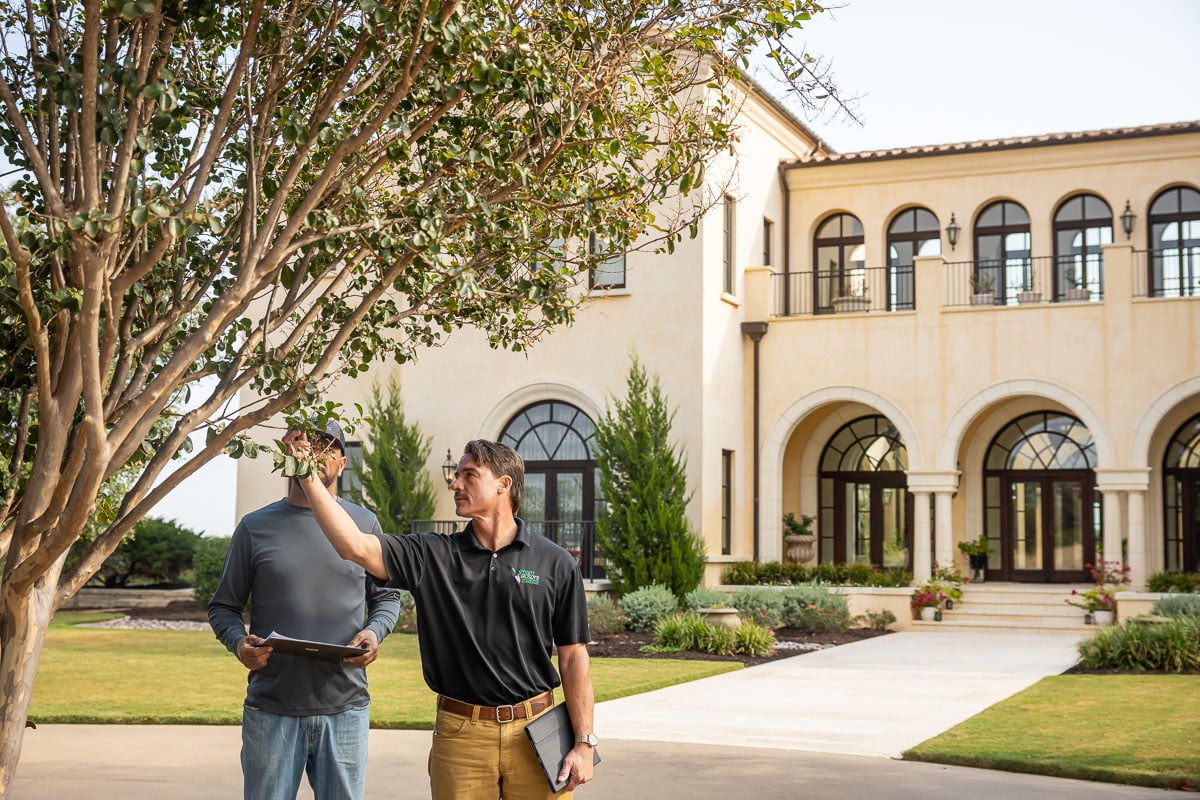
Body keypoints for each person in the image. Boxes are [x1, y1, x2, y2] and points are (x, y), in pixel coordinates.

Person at [283, 433, 596, 800]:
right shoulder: (431, 555)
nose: (455, 482)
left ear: (504, 485)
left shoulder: (555, 562)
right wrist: (306, 474)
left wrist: (584, 742)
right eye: (457, 474)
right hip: (461, 735)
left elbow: (573, 656)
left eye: (469, 475)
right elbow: (354, 546)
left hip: (538, 730)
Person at [209, 420, 401, 800]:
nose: (315, 453)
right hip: (272, 708)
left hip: (345, 708)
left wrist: (374, 632)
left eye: (326, 446)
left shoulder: (364, 524)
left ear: (343, 462)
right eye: (306, 444)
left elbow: (387, 597)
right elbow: (224, 607)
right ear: (289, 454)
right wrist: (238, 644)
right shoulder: (255, 527)